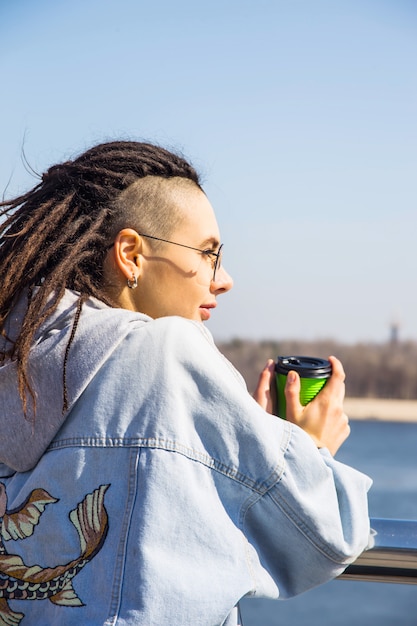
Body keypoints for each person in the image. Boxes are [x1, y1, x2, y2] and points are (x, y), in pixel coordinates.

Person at [0, 140, 371, 626]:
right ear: (131, 254)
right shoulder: (169, 353)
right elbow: (324, 532)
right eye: (207, 254)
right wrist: (308, 446)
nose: (224, 280)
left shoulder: (16, 357)